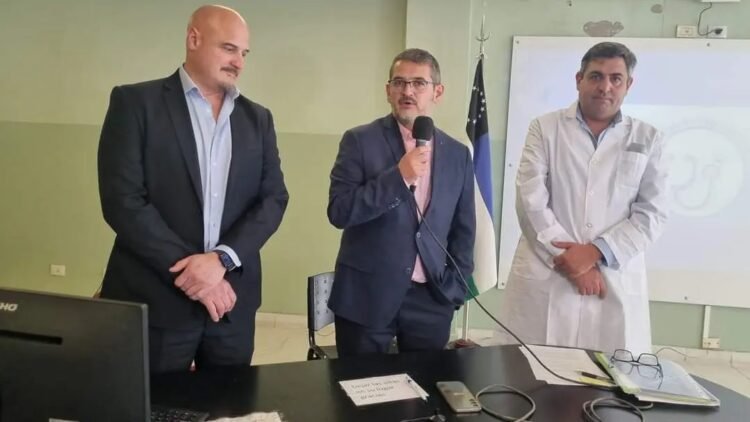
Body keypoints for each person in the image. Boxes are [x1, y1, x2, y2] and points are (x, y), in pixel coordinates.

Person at [97, 5, 288, 372]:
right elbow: (123, 201)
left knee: (229, 401)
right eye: (228, 48)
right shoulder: (135, 104)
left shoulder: (257, 119)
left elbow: (273, 199)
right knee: (155, 402)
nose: (238, 62)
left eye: (244, 53)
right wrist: (197, 276)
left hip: (231, 305)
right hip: (156, 301)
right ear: (194, 39)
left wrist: (222, 260)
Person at [500, 42, 669, 355]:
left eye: (616, 79)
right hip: (549, 274)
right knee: (531, 372)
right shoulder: (544, 128)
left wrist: (595, 252)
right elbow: (530, 199)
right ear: (579, 79)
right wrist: (575, 264)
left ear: (628, 85)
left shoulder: (648, 138)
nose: (605, 87)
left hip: (612, 276)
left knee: (611, 377)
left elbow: (652, 214)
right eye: (596, 76)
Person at [327, 48, 476, 357]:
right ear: (388, 90)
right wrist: (398, 177)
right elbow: (340, 211)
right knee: (360, 385)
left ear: (437, 92)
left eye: (419, 83)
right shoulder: (359, 141)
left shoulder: (458, 154)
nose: (408, 91)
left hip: (432, 300)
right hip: (367, 298)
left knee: (426, 385)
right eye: (399, 82)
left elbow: (464, 231)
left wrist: (454, 289)